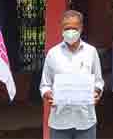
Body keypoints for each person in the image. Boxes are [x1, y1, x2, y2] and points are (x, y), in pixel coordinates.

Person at [40, 10, 104, 139]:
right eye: (67, 28)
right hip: (60, 121)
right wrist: (48, 95)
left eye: (74, 28)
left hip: (85, 121)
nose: (70, 31)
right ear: (62, 29)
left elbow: (98, 81)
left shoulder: (91, 52)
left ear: (81, 28)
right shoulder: (53, 54)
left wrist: (96, 92)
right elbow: (45, 85)